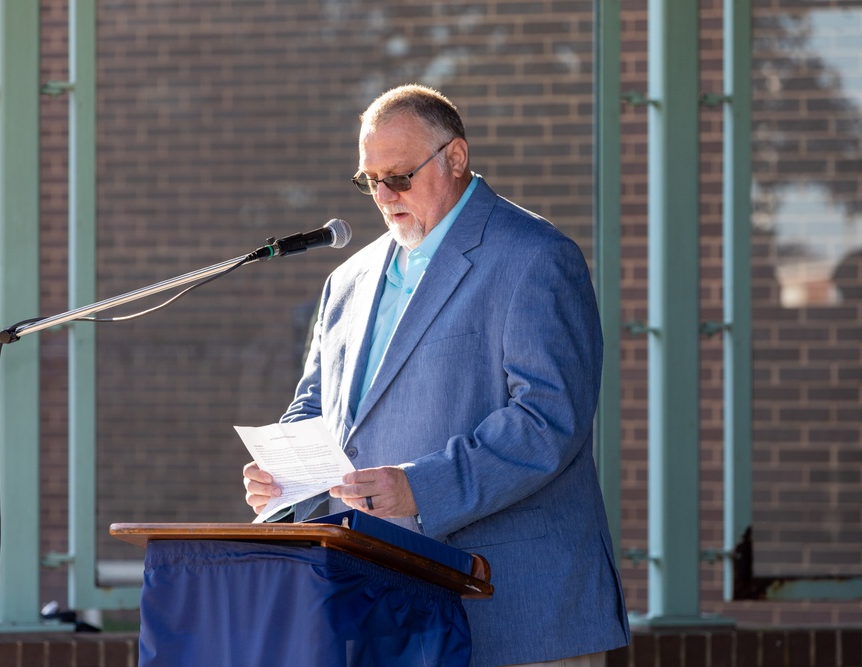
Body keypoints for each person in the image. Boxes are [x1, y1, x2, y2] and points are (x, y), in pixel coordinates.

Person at [243, 84, 629, 667]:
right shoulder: (349, 278)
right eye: (369, 180)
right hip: (380, 613)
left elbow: (548, 420)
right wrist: (285, 478)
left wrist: (422, 488)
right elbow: (318, 405)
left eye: (399, 177)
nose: (383, 195)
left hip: (514, 609)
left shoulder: (535, 257)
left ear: (455, 158)